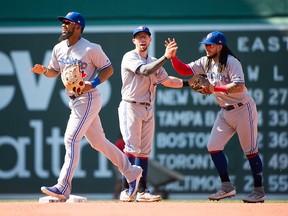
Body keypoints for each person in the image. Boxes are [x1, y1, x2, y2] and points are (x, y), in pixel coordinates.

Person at [30, 11, 142, 201]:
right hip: (74, 101)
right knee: (99, 143)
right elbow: (53, 71)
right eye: (63, 22)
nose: (63, 25)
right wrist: (43, 71)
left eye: (68, 22)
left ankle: (63, 187)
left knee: (71, 138)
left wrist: (94, 82)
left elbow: (109, 68)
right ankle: (131, 172)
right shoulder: (58, 48)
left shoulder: (90, 48)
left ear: (78, 27)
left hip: (88, 97)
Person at [167, 31, 266, 203]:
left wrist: (215, 89)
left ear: (220, 46)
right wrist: (173, 58)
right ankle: (227, 187)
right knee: (213, 146)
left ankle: (259, 191)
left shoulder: (231, 61)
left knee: (250, 151)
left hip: (243, 109)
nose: (207, 47)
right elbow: (185, 70)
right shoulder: (205, 61)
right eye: (205, 44)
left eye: (210, 44)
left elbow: (239, 86)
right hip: (225, 111)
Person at [118, 26, 188, 202]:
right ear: (133, 40)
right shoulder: (130, 57)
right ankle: (126, 190)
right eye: (138, 37)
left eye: (145, 37)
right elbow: (145, 71)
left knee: (144, 152)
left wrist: (190, 84)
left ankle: (142, 192)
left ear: (150, 40)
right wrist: (166, 57)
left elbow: (168, 81)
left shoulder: (154, 60)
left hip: (148, 108)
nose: (142, 40)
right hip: (131, 106)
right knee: (131, 149)